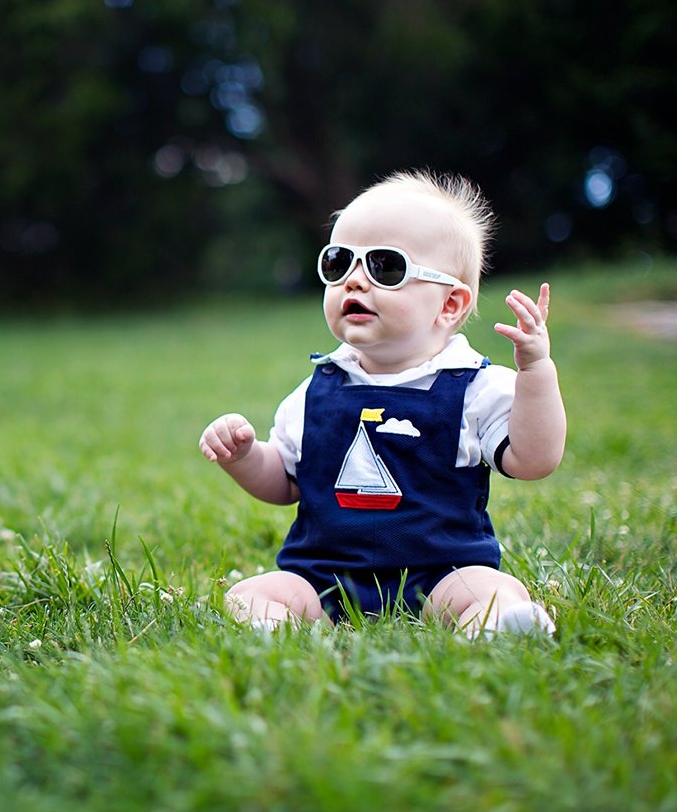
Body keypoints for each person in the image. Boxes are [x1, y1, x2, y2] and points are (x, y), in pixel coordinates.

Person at [198, 170, 565, 637]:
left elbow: (534, 460)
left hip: (443, 574)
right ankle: (285, 629)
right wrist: (246, 456)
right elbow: (284, 483)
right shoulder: (316, 389)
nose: (354, 281)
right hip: (323, 578)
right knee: (251, 593)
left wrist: (536, 374)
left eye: (384, 267)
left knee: (490, 588)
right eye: (339, 263)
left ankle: (493, 626)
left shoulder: (474, 386)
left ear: (449, 305)